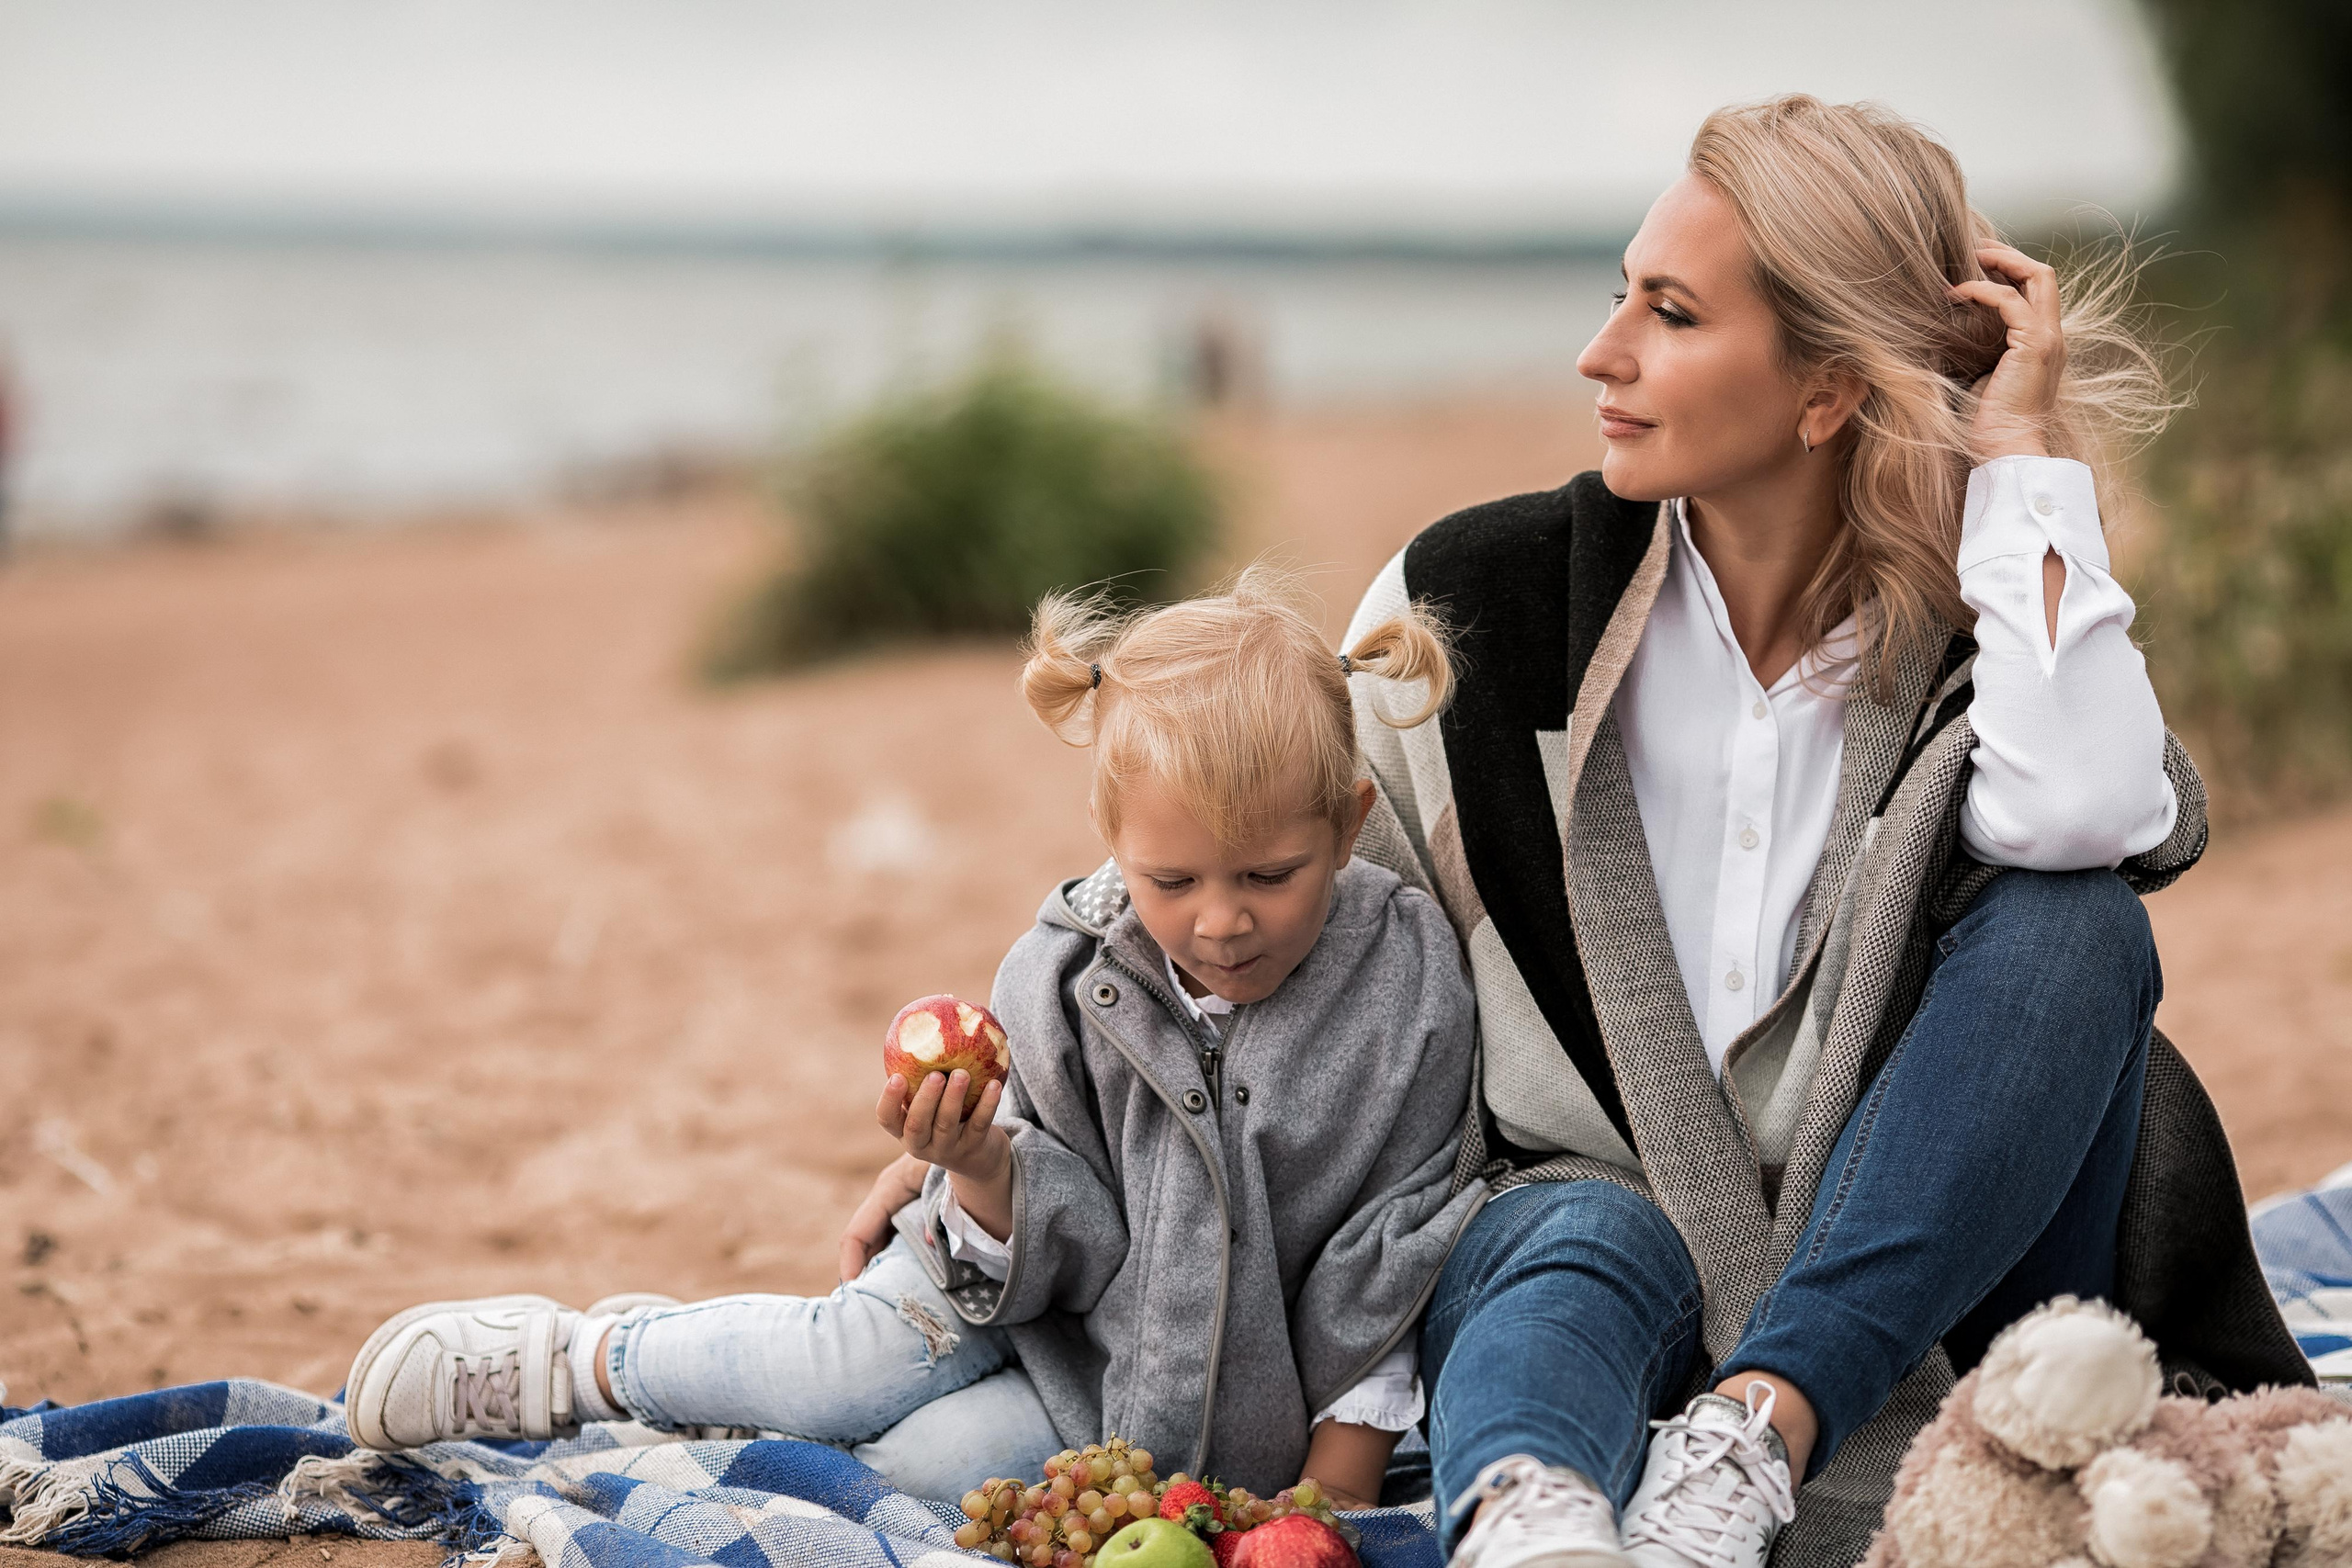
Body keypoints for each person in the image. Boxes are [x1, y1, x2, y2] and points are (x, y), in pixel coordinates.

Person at [1313, 95, 2308, 1568]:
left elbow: (2094, 811)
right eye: (1618, 296)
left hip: (1943, 1263)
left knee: (2077, 918)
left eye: (1670, 313)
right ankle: (1543, 1525)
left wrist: (2021, 452)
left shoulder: (1997, 622)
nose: (1603, 354)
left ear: (1829, 388)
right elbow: (1292, 901)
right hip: (1591, 1245)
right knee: (1571, 1244)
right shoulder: (1475, 598)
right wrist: (1031, 1103)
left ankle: (1750, 1441)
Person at [342, 566, 1486, 1504]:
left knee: (908, 1478)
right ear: (1111, 841)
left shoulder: (1407, 991)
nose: (1221, 921)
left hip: (1118, 1401)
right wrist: (980, 1160)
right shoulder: (1076, 971)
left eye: (1270, 877)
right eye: (1171, 878)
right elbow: (1054, 1191)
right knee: (842, 1369)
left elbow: (1386, 1255)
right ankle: (583, 1360)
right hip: (986, 1278)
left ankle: (674, 1449)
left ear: (1348, 825)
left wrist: (1328, 1499)